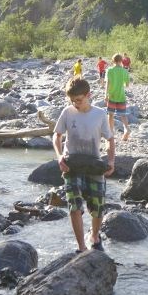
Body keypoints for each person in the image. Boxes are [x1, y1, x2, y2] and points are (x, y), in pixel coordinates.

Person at [54, 77, 115, 253]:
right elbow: (56, 136)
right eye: (72, 100)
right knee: (74, 206)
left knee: (97, 207)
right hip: (71, 164)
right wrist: (59, 157)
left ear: (89, 95)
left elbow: (110, 139)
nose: (76, 104)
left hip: (94, 165)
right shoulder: (67, 112)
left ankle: (94, 236)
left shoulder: (100, 114)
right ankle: (81, 247)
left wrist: (111, 161)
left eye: (79, 100)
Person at [106, 53, 131, 141]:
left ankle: (111, 132)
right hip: (121, 96)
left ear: (113, 60)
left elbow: (108, 83)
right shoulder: (125, 71)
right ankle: (127, 129)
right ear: (121, 61)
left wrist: (106, 95)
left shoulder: (110, 70)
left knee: (110, 115)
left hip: (112, 96)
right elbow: (127, 85)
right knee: (123, 115)